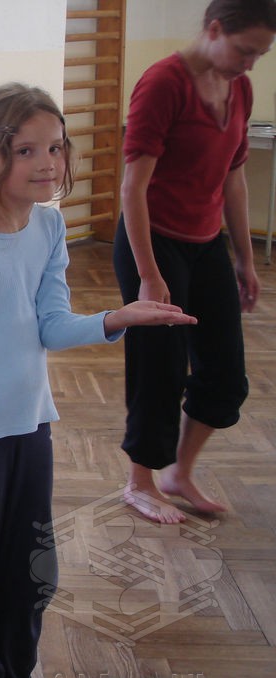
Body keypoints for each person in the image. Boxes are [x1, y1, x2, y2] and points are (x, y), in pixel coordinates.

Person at [0, 83, 197, 678]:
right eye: (26, 150)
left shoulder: (47, 226)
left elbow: (50, 325)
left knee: (32, 574)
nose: (47, 163)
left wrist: (117, 317)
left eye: (56, 148)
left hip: (31, 430)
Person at [113, 0, 275, 524]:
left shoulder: (239, 88)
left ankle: (178, 473)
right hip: (153, 242)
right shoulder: (164, 83)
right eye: (245, 50)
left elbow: (233, 179)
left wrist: (245, 260)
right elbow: (133, 188)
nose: (250, 63)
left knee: (225, 375)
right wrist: (149, 275)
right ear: (214, 29)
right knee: (159, 369)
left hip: (205, 245)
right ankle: (140, 482)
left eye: (260, 55)